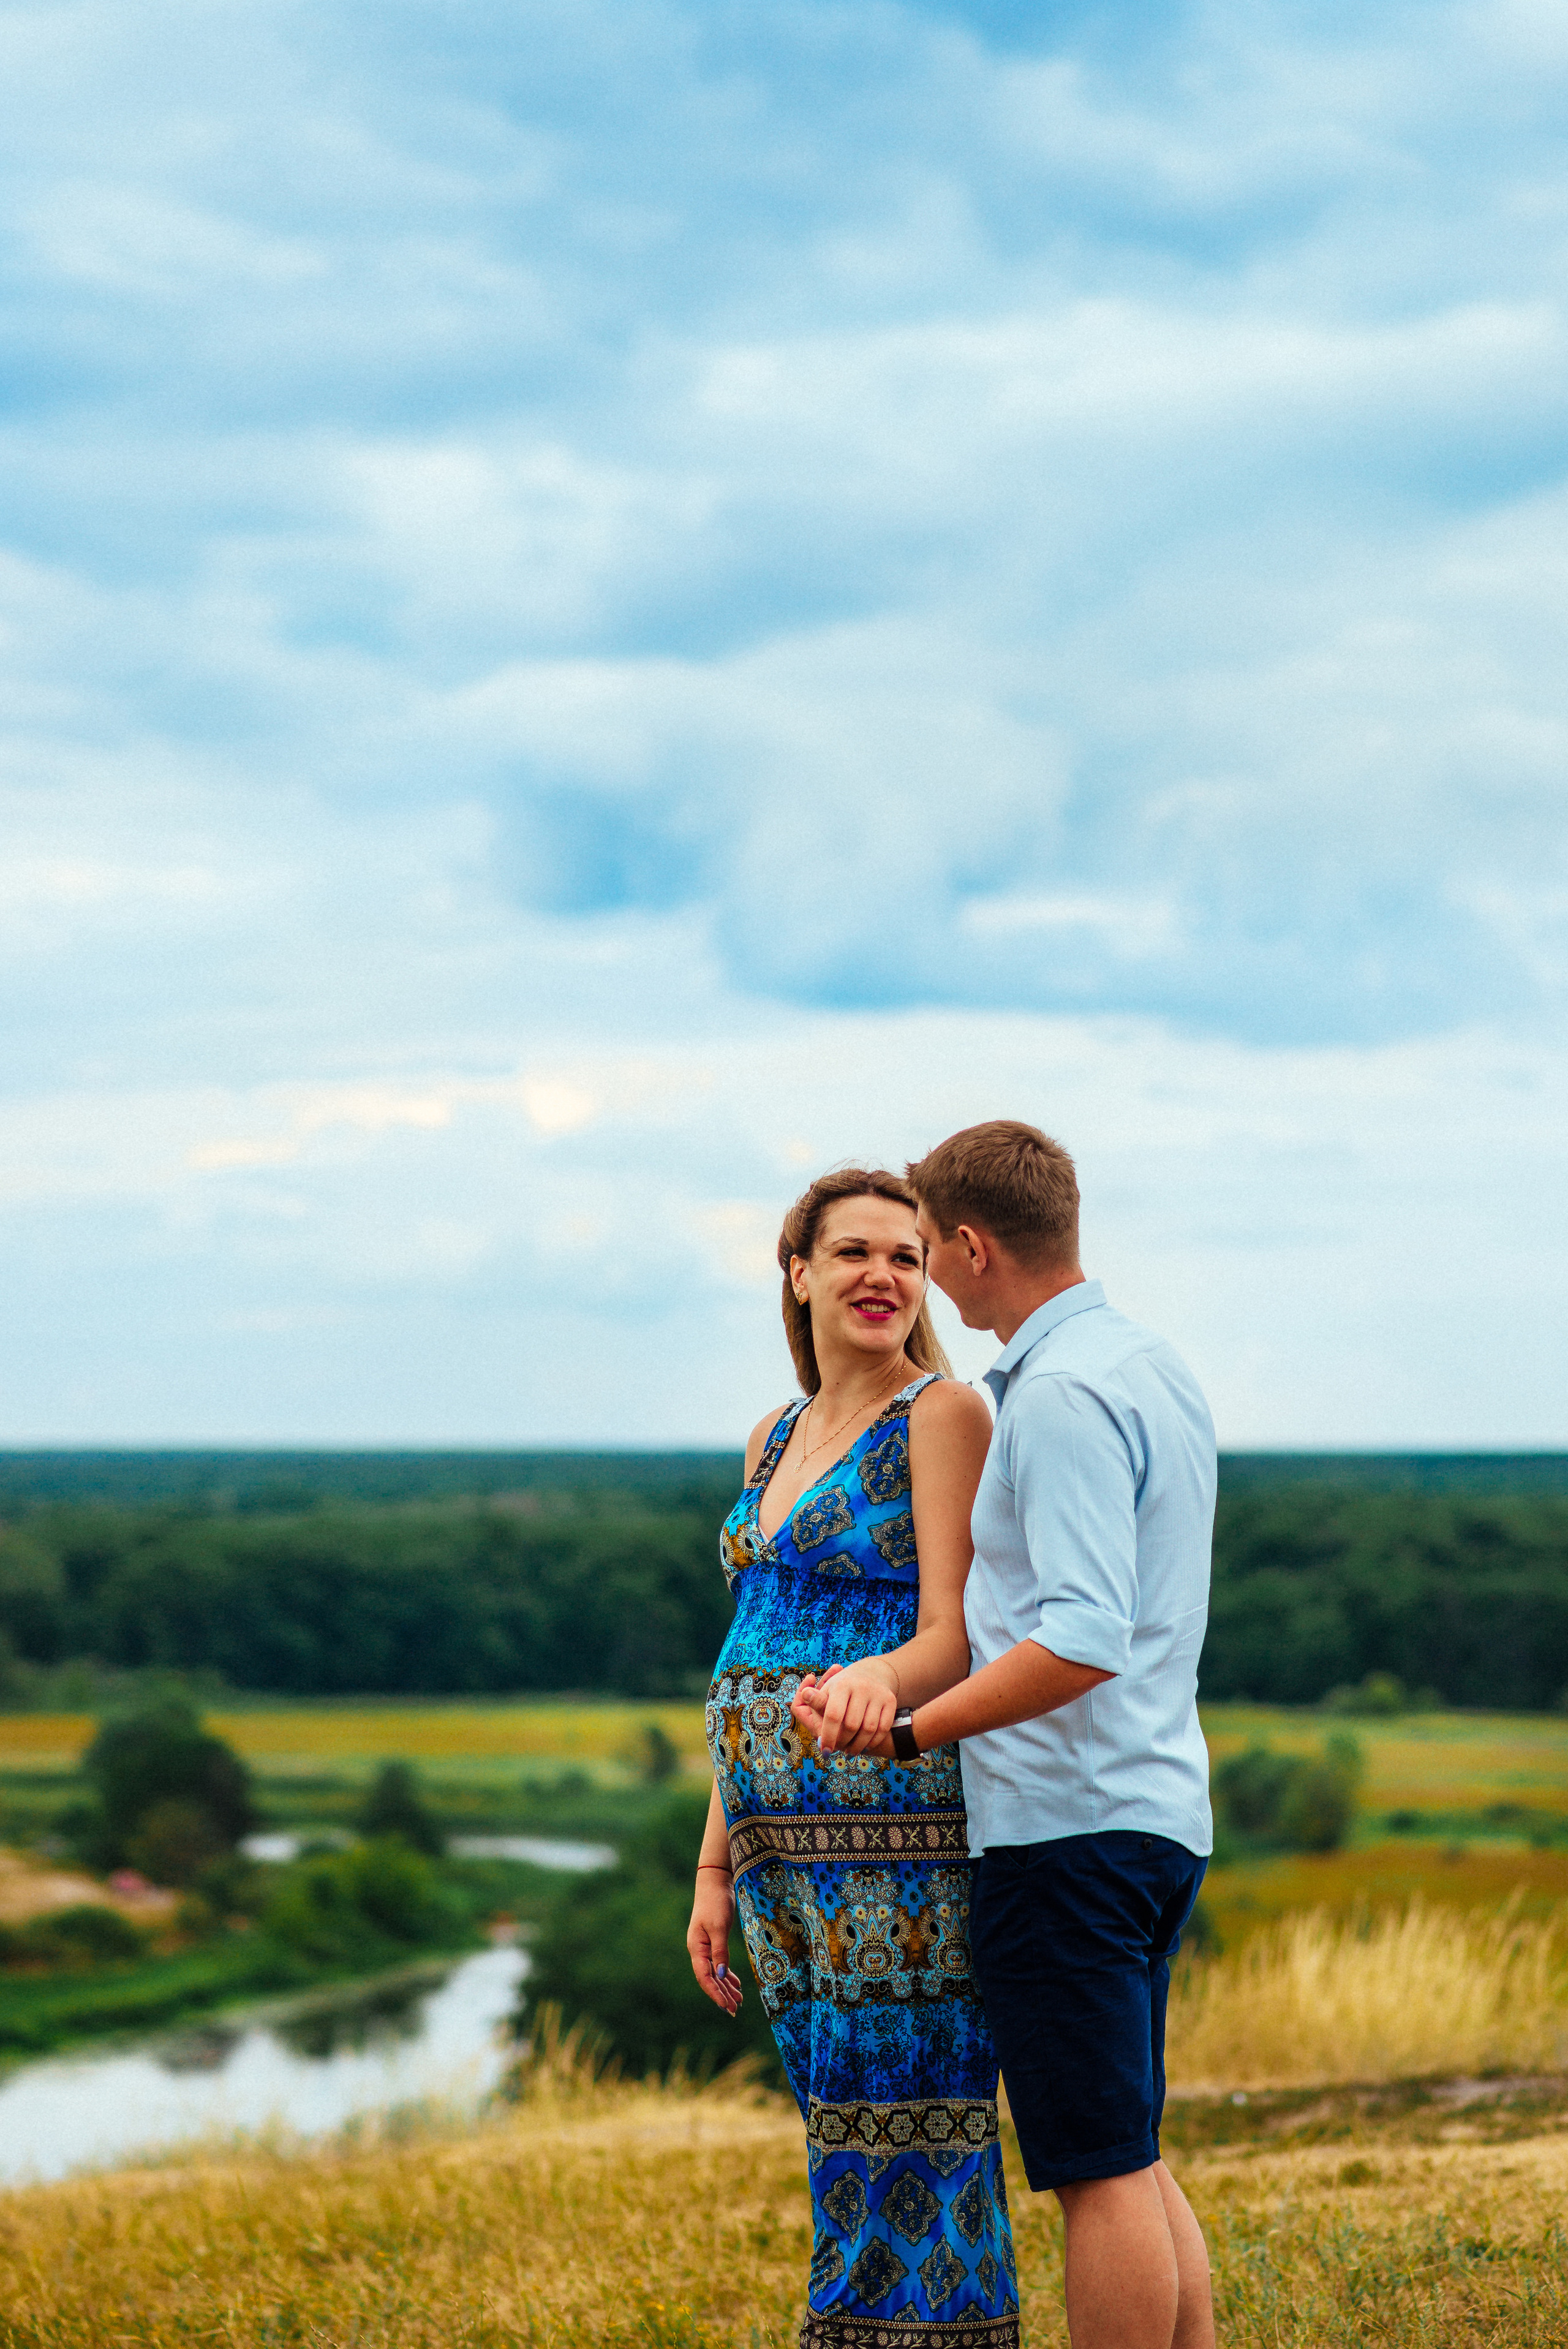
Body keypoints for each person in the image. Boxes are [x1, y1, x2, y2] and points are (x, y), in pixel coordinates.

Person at [794, 1121, 1217, 2349]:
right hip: (1148, 1811)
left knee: (1091, 2170)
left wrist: (914, 1732)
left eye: (928, 1249)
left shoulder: (1059, 1397)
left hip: (1065, 1832)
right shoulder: (1147, 1362)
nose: (927, 1276)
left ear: (970, 1247)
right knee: (1126, 2152)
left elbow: (1084, 1635)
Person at [688, 1166, 1021, 2349]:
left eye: (907, 1256)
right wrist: (715, 1864)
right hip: (779, 1845)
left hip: (897, 1834)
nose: (882, 1275)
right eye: (853, 1252)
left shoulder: (942, 1414)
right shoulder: (771, 1434)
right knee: (838, 2117)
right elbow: (747, 1649)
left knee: (914, 2117)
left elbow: (957, 1632)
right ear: (799, 1273)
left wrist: (874, 1686)